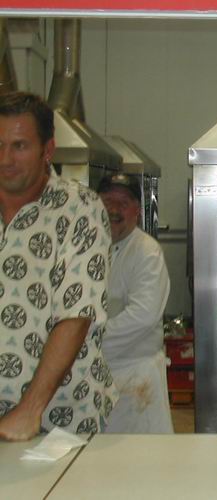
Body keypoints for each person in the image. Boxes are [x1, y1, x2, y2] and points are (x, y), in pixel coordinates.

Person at [0, 91, 117, 441]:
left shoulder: (80, 209)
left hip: (61, 419)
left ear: (47, 150)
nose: (5, 159)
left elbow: (76, 314)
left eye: (19, 146)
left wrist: (29, 410)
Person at [97, 173, 173, 433]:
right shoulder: (87, 246)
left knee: (142, 454)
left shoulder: (146, 251)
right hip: (95, 375)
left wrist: (88, 344)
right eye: (108, 201)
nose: (114, 209)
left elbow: (143, 316)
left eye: (123, 203)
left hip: (135, 378)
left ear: (137, 211)